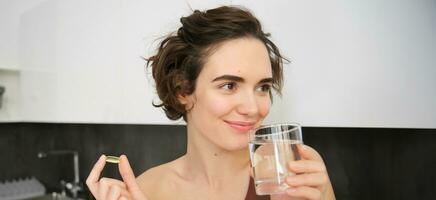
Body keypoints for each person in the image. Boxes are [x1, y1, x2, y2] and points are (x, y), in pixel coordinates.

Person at [86, 5, 336, 200]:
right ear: (182, 90)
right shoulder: (146, 190)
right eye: (229, 86)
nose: (252, 108)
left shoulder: (291, 172)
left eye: (263, 87)